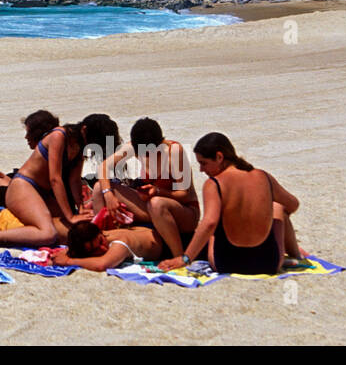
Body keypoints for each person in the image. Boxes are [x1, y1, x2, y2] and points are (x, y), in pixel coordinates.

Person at [158, 132, 304, 275]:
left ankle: (293, 252)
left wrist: (185, 258)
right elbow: (293, 204)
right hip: (268, 263)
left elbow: (209, 224)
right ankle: (295, 254)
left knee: (217, 214)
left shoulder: (214, 183)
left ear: (219, 157)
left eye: (204, 163)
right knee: (277, 207)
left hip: (226, 263)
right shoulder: (263, 176)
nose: (201, 170)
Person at [0, 111, 91, 250]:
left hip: (35, 190)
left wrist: (79, 208)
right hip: (24, 189)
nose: (26, 137)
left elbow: (72, 180)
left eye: (29, 132)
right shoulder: (57, 140)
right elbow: (55, 180)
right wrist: (71, 215)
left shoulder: (66, 146)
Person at [92, 117, 199, 258]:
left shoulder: (174, 152)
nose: (147, 156)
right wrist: (108, 195)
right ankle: (100, 239)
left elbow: (184, 194)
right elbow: (104, 167)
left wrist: (158, 191)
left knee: (156, 203)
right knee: (100, 187)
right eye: (143, 153)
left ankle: (178, 256)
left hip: (182, 211)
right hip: (150, 205)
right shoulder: (135, 148)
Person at [48, 221, 166, 272]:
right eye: (94, 250)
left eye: (100, 241)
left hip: (166, 246)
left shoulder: (120, 243)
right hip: (148, 231)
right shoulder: (101, 235)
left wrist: (68, 261)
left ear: (100, 232)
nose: (103, 248)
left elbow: (102, 264)